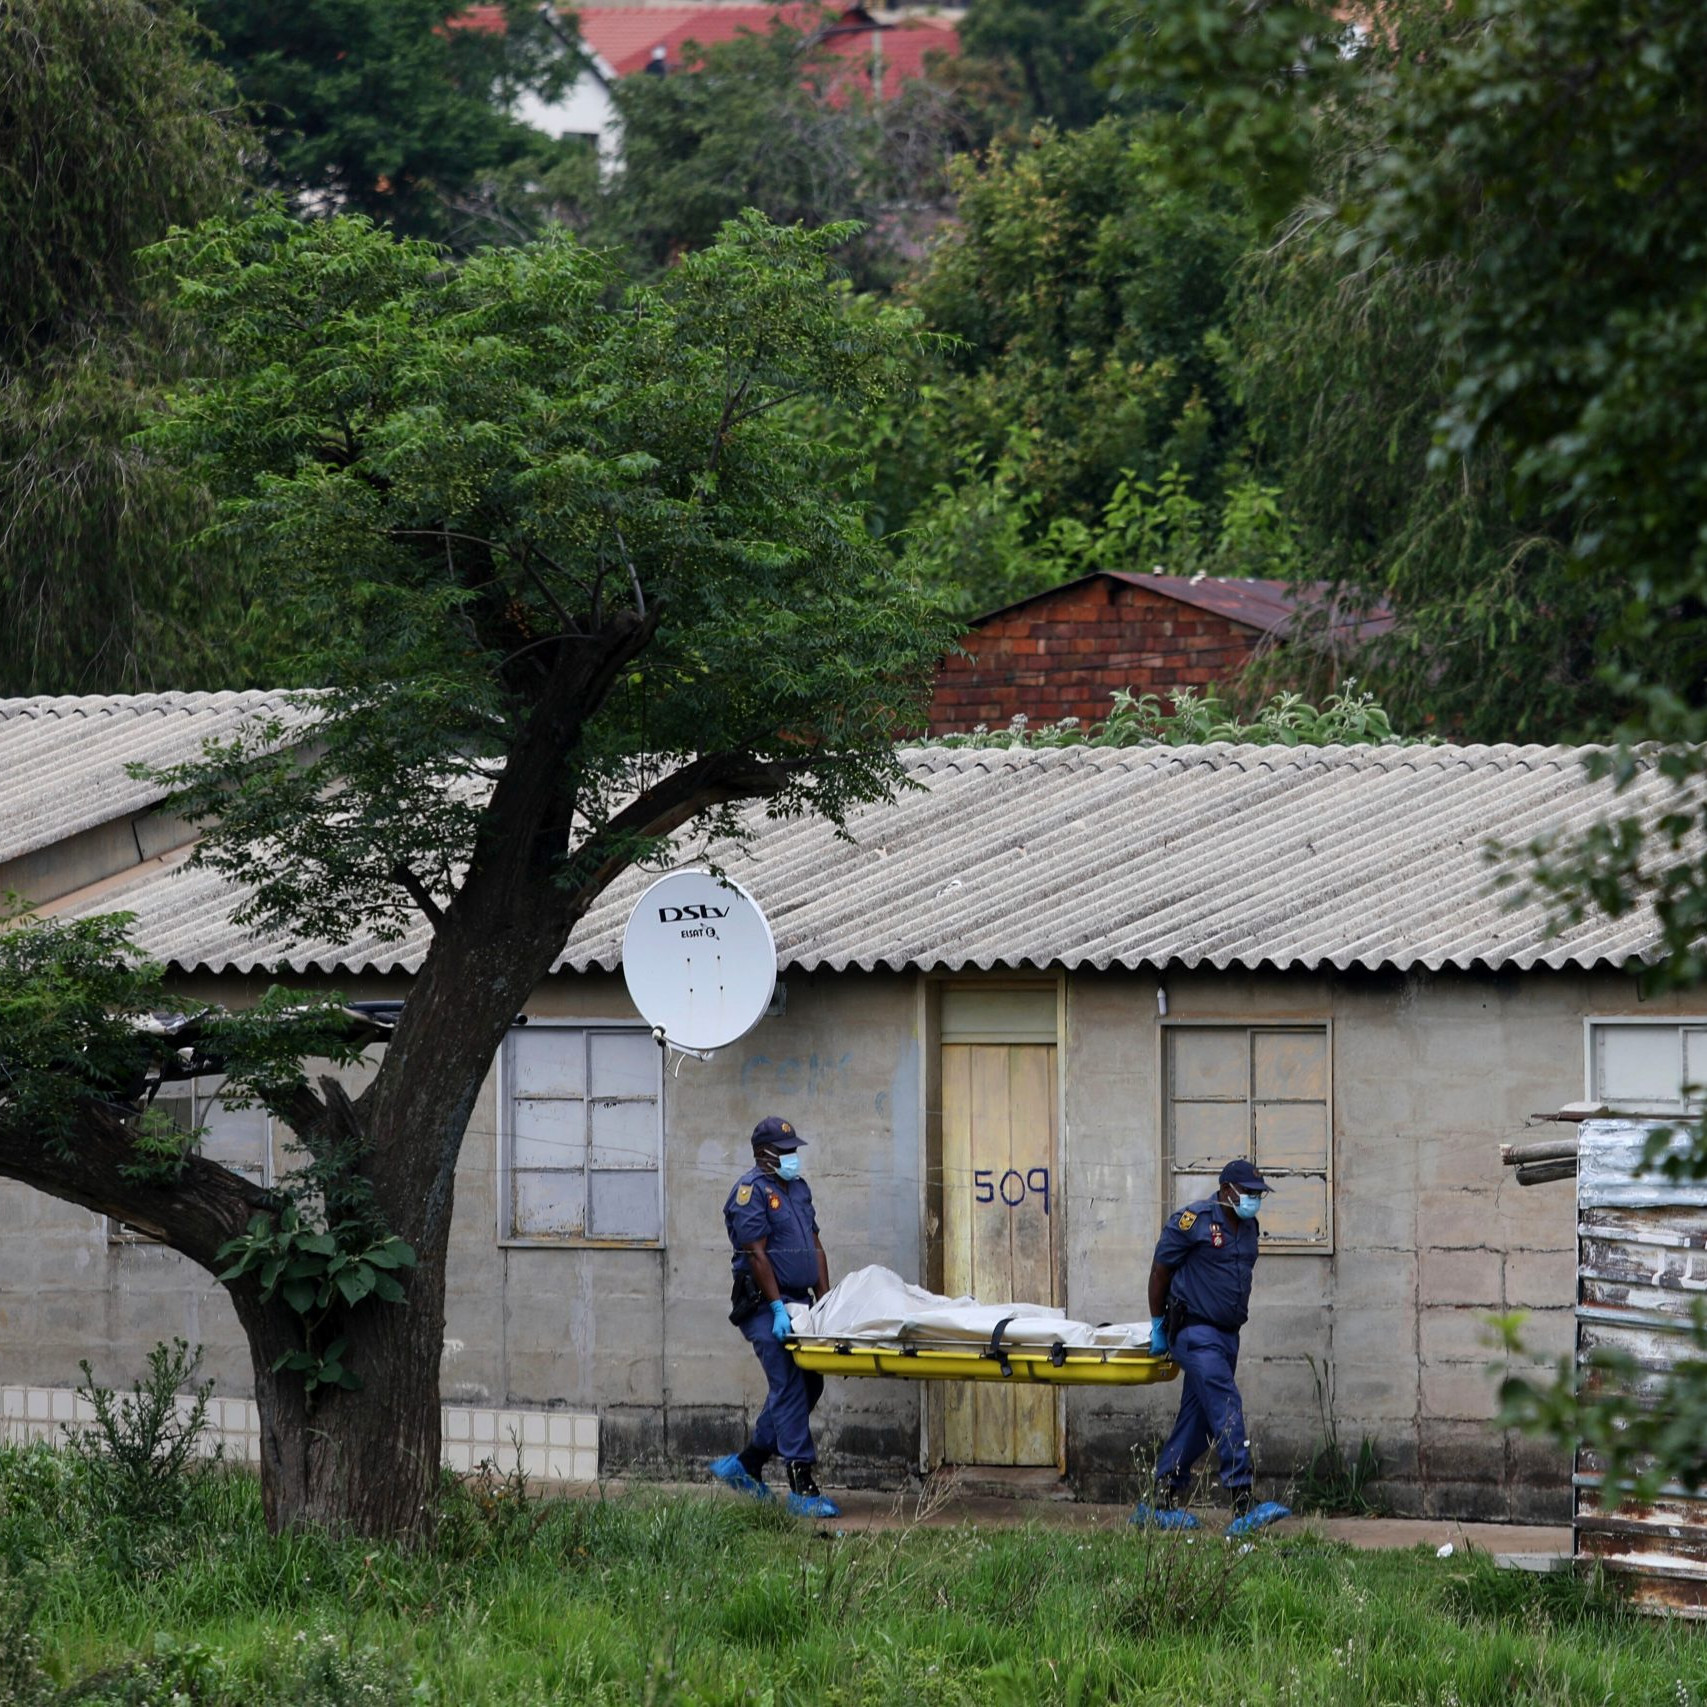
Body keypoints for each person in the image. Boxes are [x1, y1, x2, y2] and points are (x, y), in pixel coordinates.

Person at [1130, 1157, 1291, 1536]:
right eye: (1248, 1193)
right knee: (1227, 1404)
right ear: (1226, 1191)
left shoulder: (1250, 1227)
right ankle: (1242, 1502)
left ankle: (1159, 1502)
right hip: (1194, 1333)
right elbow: (1159, 1271)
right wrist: (1157, 1325)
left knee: (1199, 1420)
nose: (1254, 1200)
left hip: (1226, 1336)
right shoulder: (1193, 1221)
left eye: (1258, 1194)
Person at [708, 1115, 840, 1519]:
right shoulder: (751, 1193)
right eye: (784, 1152)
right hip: (767, 1308)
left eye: (793, 1151)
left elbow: (815, 1245)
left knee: (810, 1383)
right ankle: (802, 1483)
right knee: (787, 1384)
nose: (791, 1157)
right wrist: (779, 1306)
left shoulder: (797, 1190)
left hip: (801, 1305)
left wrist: (824, 1301)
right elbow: (757, 1254)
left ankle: (747, 1464)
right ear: (763, 1154)